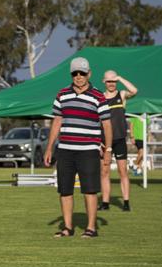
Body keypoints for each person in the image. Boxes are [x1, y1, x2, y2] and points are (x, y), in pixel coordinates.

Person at [44, 57, 112, 238]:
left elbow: (107, 125)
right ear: (71, 74)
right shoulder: (62, 94)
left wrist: (108, 150)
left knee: (90, 190)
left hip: (89, 150)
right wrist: (49, 147)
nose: (79, 76)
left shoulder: (98, 96)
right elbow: (57, 121)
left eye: (82, 73)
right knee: (65, 190)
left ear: (89, 74)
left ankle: (91, 228)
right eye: (75, 73)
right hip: (65, 150)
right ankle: (67, 228)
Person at [99, 70, 137, 211]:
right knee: (104, 172)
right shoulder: (100, 98)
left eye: (114, 81)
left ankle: (126, 203)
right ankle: (105, 203)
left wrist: (120, 78)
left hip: (120, 140)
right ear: (104, 82)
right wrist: (98, 141)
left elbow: (134, 90)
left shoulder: (121, 95)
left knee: (123, 172)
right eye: (109, 81)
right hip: (104, 142)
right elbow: (97, 121)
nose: (112, 84)